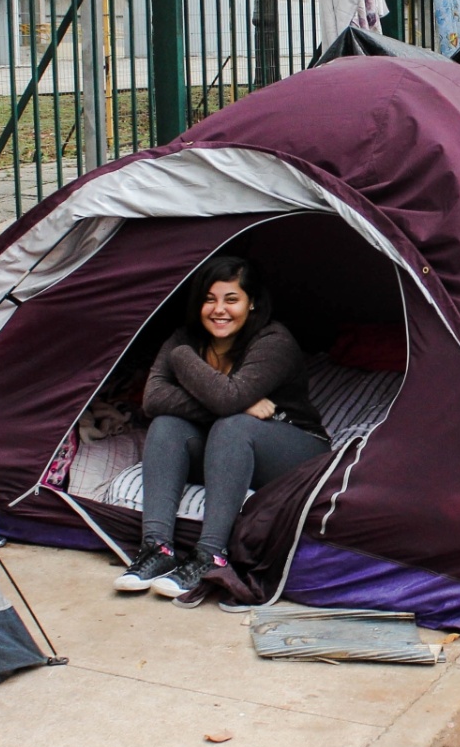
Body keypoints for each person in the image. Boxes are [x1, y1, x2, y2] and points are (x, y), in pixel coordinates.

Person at [116, 256, 326, 600]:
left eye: (232, 299)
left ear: (252, 302)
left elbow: (229, 401)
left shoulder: (274, 340)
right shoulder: (186, 338)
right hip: (227, 453)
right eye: (209, 299)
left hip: (295, 449)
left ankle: (211, 554)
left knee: (233, 426)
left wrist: (182, 360)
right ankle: (157, 550)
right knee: (168, 424)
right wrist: (233, 399)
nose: (219, 310)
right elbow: (153, 400)